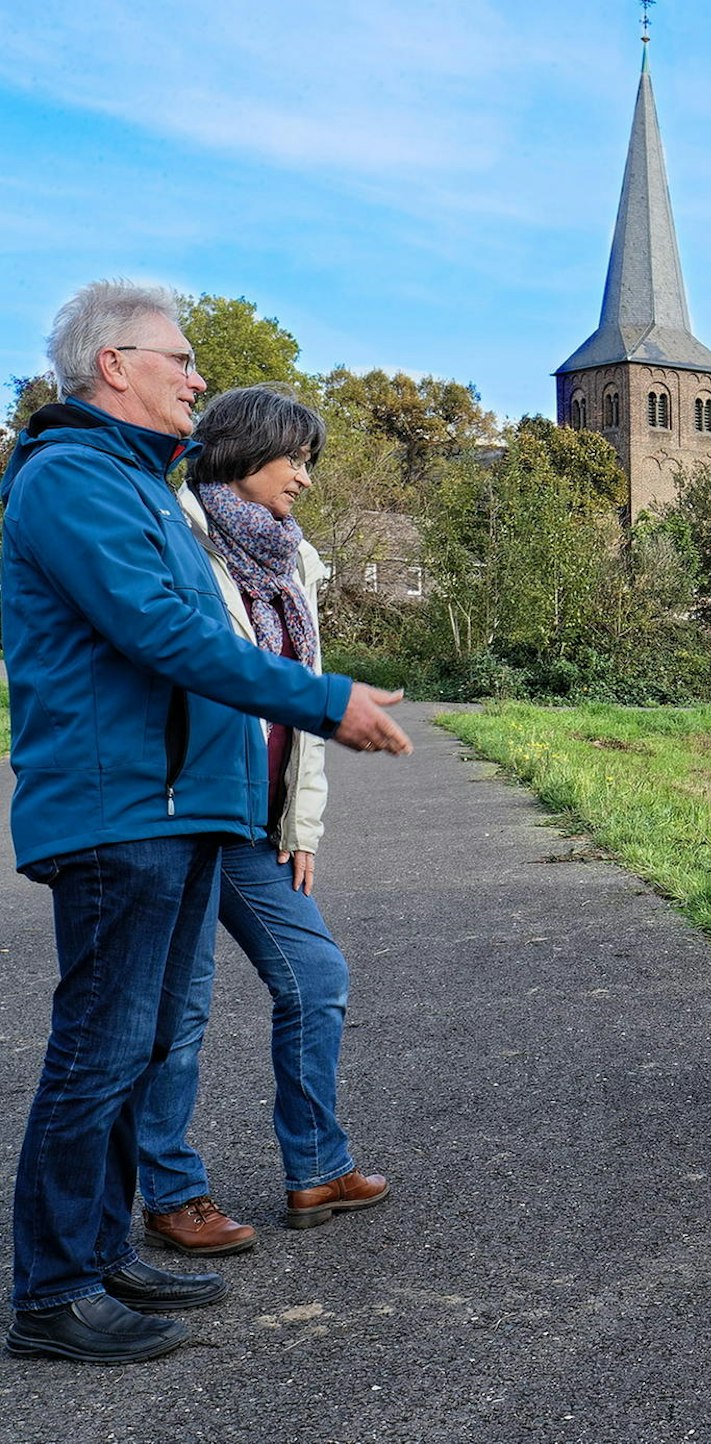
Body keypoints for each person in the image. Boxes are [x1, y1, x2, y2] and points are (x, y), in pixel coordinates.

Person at [1, 281, 409, 1366]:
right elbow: (159, 635)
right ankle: (50, 1292)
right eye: (179, 360)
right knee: (98, 1052)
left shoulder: (139, 485)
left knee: (134, 1047)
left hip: (182, 811)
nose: (197, 378)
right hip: (119, 808)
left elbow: (199, 641)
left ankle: (100, 1252)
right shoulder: (74, 481)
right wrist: (327, 700)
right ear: (113, 365)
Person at [133, 385, 388, 1260]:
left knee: (315, 975)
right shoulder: (178, 540)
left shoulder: (293, 562)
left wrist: (301, 825)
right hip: (178, 811)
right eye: (296, 461)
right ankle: (171, 1192)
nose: (306, 481)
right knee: (181, 1009)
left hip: (252, 821)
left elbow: (298, 720)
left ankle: (315, 1166)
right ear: (245, 458)